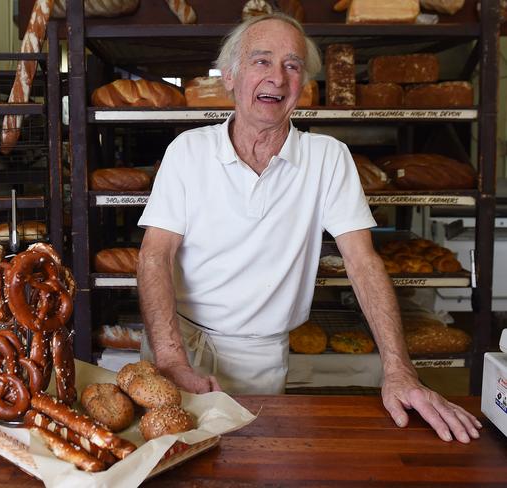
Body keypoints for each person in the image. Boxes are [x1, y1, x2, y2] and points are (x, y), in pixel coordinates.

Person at [136, 12, 481, 443]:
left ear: (304, 83)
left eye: (292, 65)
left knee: (256, 463)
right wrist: (171, 360)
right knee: (165, 464)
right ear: (230, 76)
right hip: (177, 342)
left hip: (260, 356)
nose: (277, 78)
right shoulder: (188, 151)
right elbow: (155, 255)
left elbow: (362, 262)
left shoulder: (327, 158)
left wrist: (399, 369)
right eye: (262, 62)